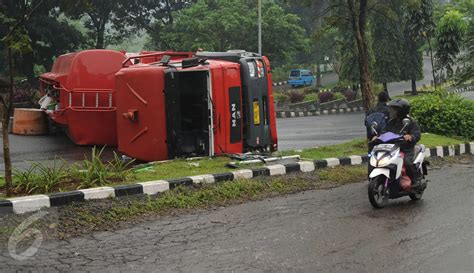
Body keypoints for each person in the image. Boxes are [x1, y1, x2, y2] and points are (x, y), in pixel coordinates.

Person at [385, 98, 421, 184]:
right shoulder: (391, 122)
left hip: (406, 149)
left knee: (407, 163)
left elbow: (417, 134)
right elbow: (385, 132)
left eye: (395, 109)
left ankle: (416, 181)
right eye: (392, 109)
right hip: (392, 148)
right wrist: (378, 136)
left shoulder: (410, 122)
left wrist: (411, 136)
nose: (392, 111)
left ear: (402, 110)